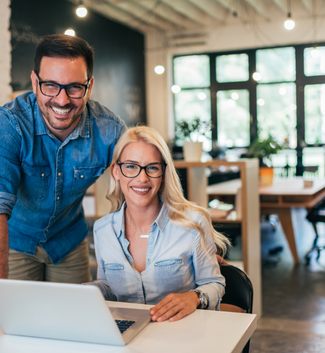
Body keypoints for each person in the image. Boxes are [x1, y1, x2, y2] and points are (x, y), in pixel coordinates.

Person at [0, 34, 126, 324]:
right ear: (35, 82)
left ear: (90, 85)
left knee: (76, 326)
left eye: (75, 87)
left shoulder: (109, 130)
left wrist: (191, 242)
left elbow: (146, 187)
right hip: (15, 242)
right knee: (13, 326)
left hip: (68, 242)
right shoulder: (9, 124)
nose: (62, 100)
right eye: (50, 86)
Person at [86, 126, 230, 322]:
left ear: (163, 173)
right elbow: (109, 288)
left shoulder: (192, 223)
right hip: (127, 335)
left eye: (152, 167)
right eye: (131, 166)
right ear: (116, 171)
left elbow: (214, 283)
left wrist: (194, 297)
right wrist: (86, 291)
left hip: (180, 335)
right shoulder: (103, 229)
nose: (142, 178)